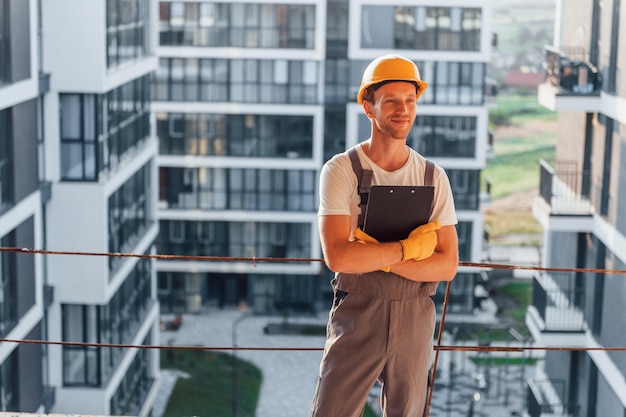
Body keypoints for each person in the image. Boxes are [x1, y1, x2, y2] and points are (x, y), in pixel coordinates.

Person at [309, 54, 459, 417]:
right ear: (369, 108)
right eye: (391, 100)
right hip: (358, 312)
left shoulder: (432, 177)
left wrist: (379, 256)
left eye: (410, 100)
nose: (403, 109)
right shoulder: (342, 170)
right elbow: (339, 256)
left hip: (415, 316)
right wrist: (410, 250)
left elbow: (447, 265)